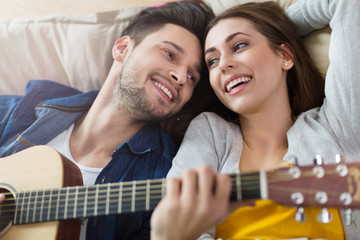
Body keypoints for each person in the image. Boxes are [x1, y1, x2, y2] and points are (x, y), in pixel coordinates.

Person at [0, 1, 214, 239]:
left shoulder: (166, 178)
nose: (182, 77)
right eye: (169, 54)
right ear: (123, 48)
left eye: (193, 76)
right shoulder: (25, 108)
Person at [150, 0, 360, 239]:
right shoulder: (210, 133)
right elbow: (175, 225)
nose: (224, 65)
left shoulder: (337, 126)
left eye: (239, 45)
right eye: (212, 61)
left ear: (285, 56)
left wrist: (281, 28)